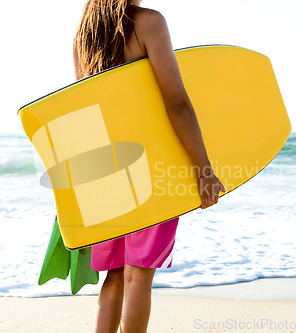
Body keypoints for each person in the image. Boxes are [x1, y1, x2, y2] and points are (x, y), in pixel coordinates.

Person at [73, 1, 226, 332]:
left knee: (114, 274)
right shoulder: (149, 23)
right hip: (151, 165)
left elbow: (83, 115)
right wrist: (204, 170)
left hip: (104, 170)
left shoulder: (85, 34)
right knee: (138, 273)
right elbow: (176, 102)